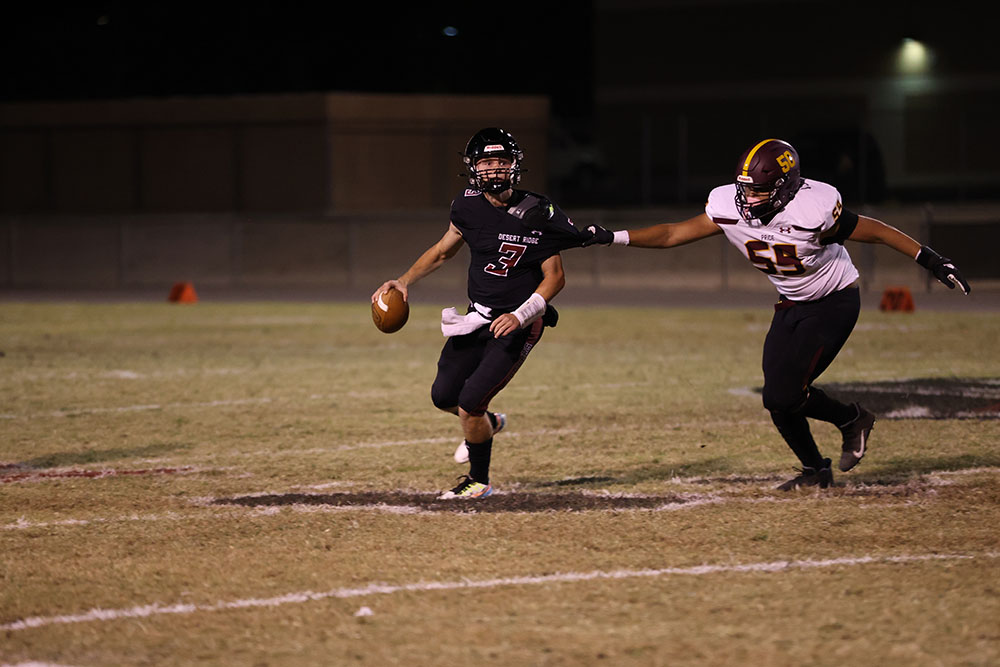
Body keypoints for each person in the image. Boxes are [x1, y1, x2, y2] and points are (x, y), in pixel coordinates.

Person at [583, 138, 970, 490]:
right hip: (789, 302)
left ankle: (852, 420)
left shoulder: (813, 209)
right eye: (744, 188)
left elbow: (879, 232)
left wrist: (933, 261)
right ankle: (815, 469)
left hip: (833, 301)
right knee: (776, 398)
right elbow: (672, 234)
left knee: (785, 392)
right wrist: (613, 236)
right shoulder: (726, 205)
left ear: (785, 188)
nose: (747, 198)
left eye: (758, 189)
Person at [372, 127, 588, 499]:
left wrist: (522, 315)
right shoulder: (467, 205)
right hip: (477, 317)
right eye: (486, 162)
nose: (493, 169)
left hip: (519, 323)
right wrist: (405, 280)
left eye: (500, 162)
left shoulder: (538, 211)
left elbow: (555, 277)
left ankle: (479, 481)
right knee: (445, 397)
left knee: (470, 402)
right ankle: (489, 423)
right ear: (473, 168)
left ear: (514, 166)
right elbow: (443, 251)